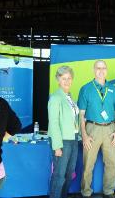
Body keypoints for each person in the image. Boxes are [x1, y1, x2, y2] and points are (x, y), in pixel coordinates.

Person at [78, 60, 115, 198]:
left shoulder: (113, 89)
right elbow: (81, 114)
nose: (101, 70)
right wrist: (84, 135)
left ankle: (108, 191)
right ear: (93, 70)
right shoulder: (86, 88)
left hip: (110, 129)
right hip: (92, 128)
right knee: (88, 164)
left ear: (107, 70)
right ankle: (86, 192)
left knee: (111, 164)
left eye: (103, 68)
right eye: (98, 68)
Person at [48, 66, 79, 198]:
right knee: (59, 175)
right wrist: (57, 146)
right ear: (58, 80)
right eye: (63, 78)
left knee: (69, 173)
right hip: (62, 141)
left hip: (73, 138)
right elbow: (53, 123)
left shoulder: (69, 97)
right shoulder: (55, 98)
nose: (67, 81)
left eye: (69, 78)